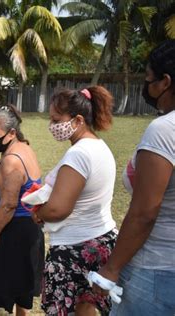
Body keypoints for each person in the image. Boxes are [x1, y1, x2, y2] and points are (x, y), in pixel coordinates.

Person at [92, 40, 175, 316]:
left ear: (165, 82)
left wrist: (111, 268)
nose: (147, 86)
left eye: (149, 79)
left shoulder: (164, 131)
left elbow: (144, 213)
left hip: (157, 270)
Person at [32, 86, 118, 316]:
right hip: (101, 240)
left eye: (56, 119)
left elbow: (59, 209)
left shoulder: (78, 154)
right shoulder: (99, 146)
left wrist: (39, 213)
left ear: (78, 120)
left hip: (75, 250)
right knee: (86, 308)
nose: (52, 126)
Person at [0, 105, 45, 316]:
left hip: (11, 232)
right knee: (22, 288)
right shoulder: (25, 148)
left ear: (12, 133)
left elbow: (8, 204)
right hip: (29, 230)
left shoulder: (11, 161)